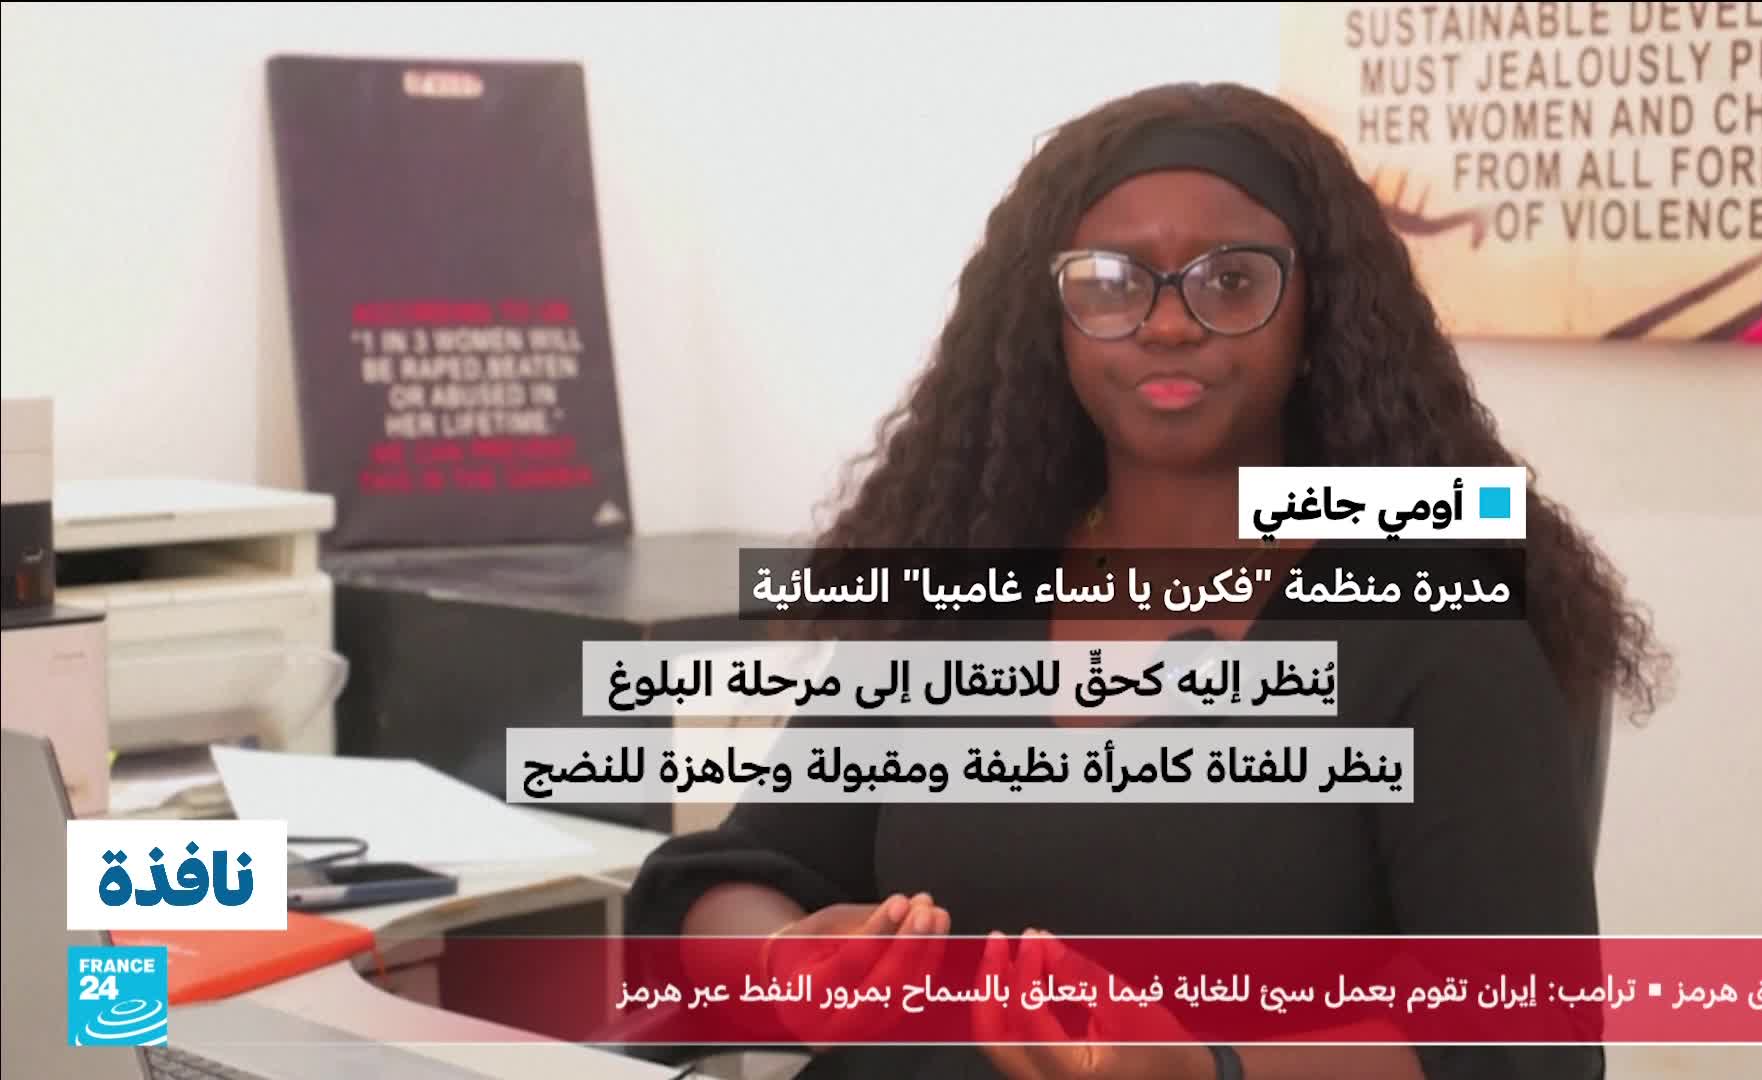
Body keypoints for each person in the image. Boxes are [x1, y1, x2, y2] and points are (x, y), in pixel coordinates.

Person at [625, 81, 1669, 1080]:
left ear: (1319, 316)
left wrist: (1204, 1068)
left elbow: (1525, 1043)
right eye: (1111, 282)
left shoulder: (1434, 622)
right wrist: (790, 964)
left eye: (1231, 281)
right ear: (1050, 323)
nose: (1167, 325)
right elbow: (724, 878)